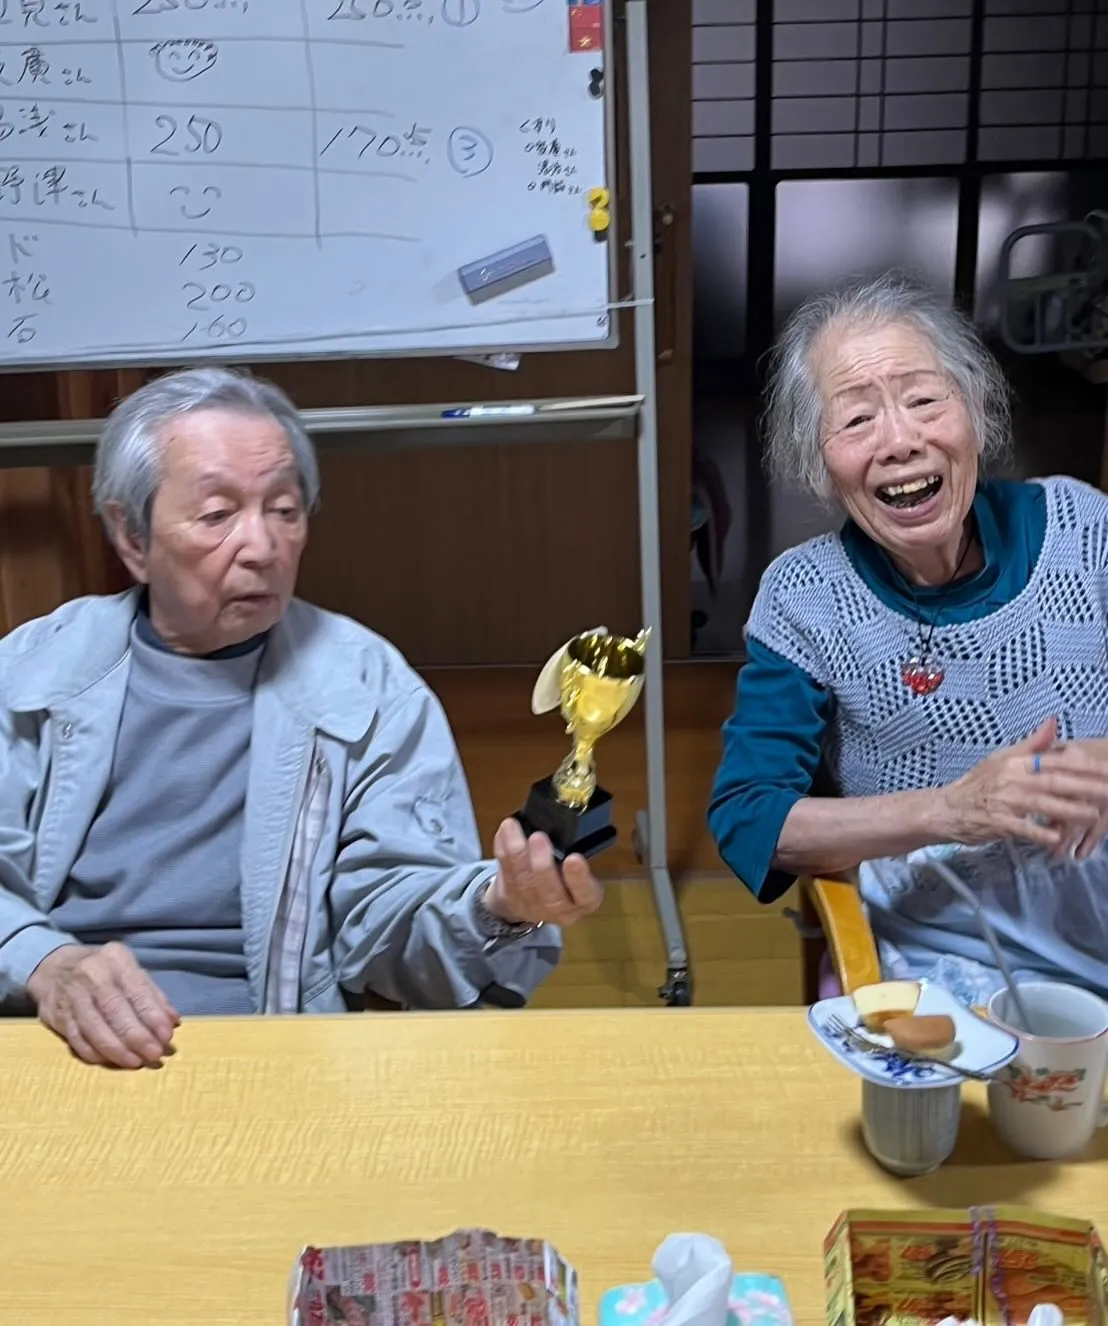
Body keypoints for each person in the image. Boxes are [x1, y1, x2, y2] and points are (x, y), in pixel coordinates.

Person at [0, 367, 603, 1068]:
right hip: (49, 1038)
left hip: (277, 1050)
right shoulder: (32, 670)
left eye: (284, 510)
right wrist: (44, 960)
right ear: (130, 535)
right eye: (218, 514)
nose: (261, 547)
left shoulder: (370, 687)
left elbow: (386, 928)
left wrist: (497, 906)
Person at [709, 272, 1108, 1008]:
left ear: (977, 415)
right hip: (950, 952)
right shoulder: (805, 600)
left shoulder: (1084, 532)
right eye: (856, 420)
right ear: (815, 460)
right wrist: (950, 811)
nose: (899, 441)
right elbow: (750, 819)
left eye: (925, 400)